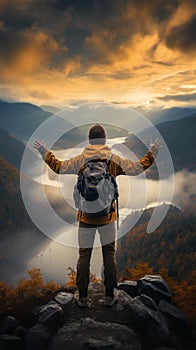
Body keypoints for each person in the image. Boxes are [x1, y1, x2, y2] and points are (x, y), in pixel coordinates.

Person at [34, 123, 162, 307]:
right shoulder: (113, 159)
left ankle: (83, 297)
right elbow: (137, 168)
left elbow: (58, 167)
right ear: (105, 140)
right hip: (108, 218)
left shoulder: (80, 160)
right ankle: (110, 295)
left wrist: (44, 151)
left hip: (86, 217)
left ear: (89, 140)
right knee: (108, 256)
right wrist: (153, 151)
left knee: (84, 255)